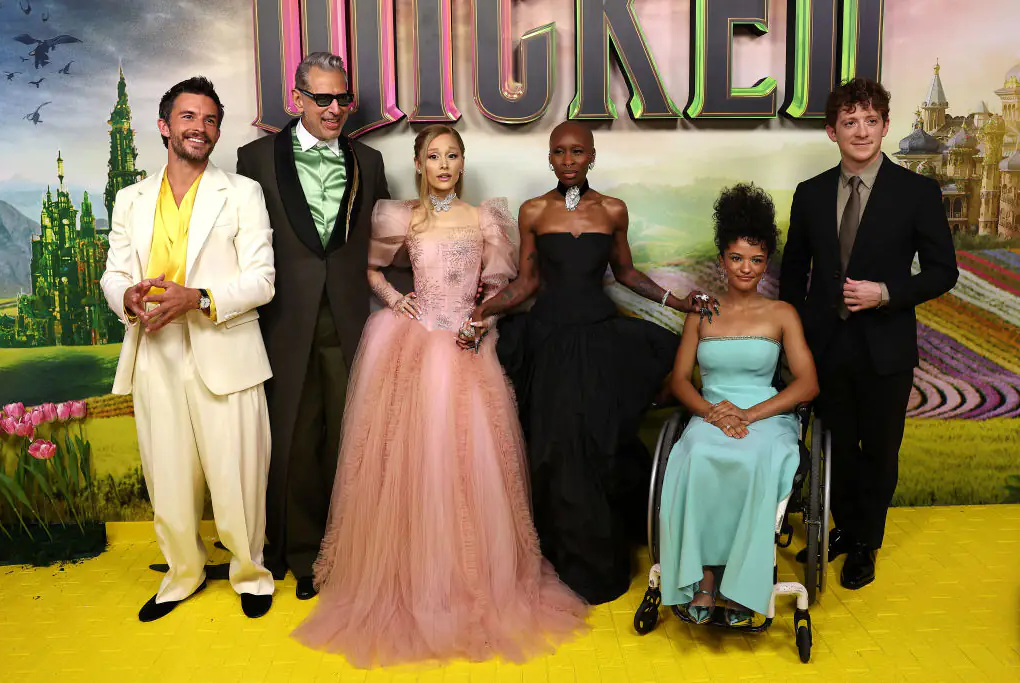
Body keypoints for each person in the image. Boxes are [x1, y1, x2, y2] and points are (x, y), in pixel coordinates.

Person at [292, 125, 588, 667]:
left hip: (467, 347)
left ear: (463, 161)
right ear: (420, 163)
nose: (444, 165)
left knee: (471, 467)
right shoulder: (403, 217)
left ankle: (467, 582)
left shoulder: (484, 219)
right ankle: (417, 581)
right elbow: (370, 268)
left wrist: (480, 318)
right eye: (433, 156)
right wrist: (394, 298)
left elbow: (501, 284)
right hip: (415, 346)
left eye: (452, 155)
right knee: (415, 467)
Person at [470, 121, 718, 605]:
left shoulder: (613, 210)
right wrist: (482, 311)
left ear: (591, 156)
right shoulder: (534, 210)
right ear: (549, 157)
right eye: (558, 152)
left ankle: (602, 562)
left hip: (602, 342)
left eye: (576, 151)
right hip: (549, 343)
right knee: (552, 450)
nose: (567, 160)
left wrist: (678, 301)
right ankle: (557, 563)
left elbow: (625, 273)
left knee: (601, 447)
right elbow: (527, 284)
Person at [100, 76, 276, 621]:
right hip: (156, 354)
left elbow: (263, 281)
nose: (200, 128)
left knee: (238, 475)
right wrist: (126, 297)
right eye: (189, 117)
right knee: (168, 477)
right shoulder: (130, 199)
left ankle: (250, 574)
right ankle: (183, 574)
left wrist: (197, 298)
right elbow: (112, 273)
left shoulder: (242, 192)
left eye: (210, 120)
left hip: (225, 350)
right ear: (163, 126)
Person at [779, 78, 958, 589]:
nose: (861, 130)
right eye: (849, 122)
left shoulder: (918, 192)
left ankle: (865, 544)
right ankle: (846, 526)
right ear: (831, 131)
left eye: (871, 120)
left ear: (885, 125)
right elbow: (794, 273)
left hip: (886, 348)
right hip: (825, 347)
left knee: (879, 449)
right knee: (836, 446)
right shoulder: (810, 194)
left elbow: (944, 271)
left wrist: (887, 292)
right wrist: (795, 341)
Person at [235, 52, 390, 600]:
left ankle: (345, 550)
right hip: (284, 321)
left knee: (349, 439)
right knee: (294, 440)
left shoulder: (369, 162)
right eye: (320, 98)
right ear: (295, 99)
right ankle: (300, 555)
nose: (332, 109)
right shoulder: (253, 159)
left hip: (351, 320)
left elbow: (385, 245)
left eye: (340, 99)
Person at [658, 183, 819, 625]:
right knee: (699, 453)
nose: (746, 268)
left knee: (752, 457)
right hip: (710, 413)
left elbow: (807, 385)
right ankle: (707, 576)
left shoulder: (782, 313)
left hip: (765, 414)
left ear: (766, 263)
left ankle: (742, 581)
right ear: (721, 260)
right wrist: (713, 414)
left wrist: (747, 415)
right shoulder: (701, 313)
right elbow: (678, 380)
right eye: (736, 258)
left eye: (756, 259)